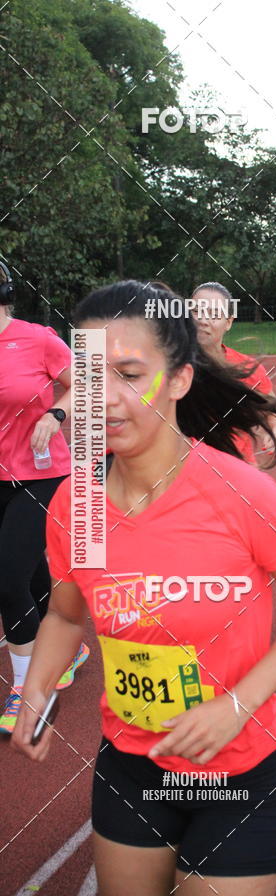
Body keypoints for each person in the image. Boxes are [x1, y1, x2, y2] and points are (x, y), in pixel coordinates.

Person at [13, 281, 276, 896]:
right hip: (130, 765)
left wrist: (236, 705)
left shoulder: (242, 494)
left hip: (239, 772)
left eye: (130, 375)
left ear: (181, 380)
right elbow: (63, 614)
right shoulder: (74, 505)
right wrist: (36, 687)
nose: (103, 399)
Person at [0, 261, 88, 733]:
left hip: (39, 476)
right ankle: (68, 646)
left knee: (8, 581)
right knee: (32, 575)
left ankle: (27, 690)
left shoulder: (37, 339)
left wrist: (55, 412)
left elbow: (86, 381)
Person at [191, 282, 276, 464]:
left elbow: (274, 409)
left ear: (228, 322)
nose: (203, 320)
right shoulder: (166, 365)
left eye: (214, 314)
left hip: (237, 472)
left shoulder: (246, 368)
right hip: (183, 476)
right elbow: (145, 401)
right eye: (196, 311)